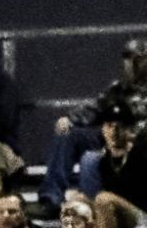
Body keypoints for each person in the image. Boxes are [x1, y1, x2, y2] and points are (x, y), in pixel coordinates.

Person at [39, 38, 147, 205]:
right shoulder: (117, 89)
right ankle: (51, 197)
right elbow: (95, 109)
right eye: (127, 57)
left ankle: (90, 208)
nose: (131, 63)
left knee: (90, 159)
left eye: (138, 58)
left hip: (139, 148)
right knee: (68, 134)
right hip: (111, 140)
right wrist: (70, 118)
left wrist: (131, 139)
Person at [76, 102, 147, 210]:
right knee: (78, 201)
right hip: (115, 214)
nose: (114, 132)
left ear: (130, 130)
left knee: (104, 199)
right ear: (103, 129)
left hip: (140, 216)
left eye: (120, 127)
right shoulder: (105, 161)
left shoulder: (140, 155)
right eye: (109, 126)